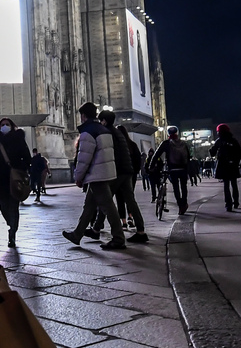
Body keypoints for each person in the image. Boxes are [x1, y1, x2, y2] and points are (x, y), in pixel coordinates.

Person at [61, 102, 125, 250]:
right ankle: (77, 234)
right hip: (107, 173)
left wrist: (78, 176)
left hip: (97, 176)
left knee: (108, 207)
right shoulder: (104, 130)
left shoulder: (87, 132)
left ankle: (119, 238)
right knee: (89, 206)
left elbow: (84, 157)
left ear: (83, 116)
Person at [103, 113, 147, 243]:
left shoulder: (111, 134)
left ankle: (104, 228)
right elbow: (138, 159)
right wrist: (135, 171)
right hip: (129, 173)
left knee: (108, 199)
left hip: (119, 172)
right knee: (129, 200)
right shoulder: (130, 143)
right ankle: (140, 230)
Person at [0, 117, 30, 248]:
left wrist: (20, 168)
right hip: (0, 178)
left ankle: (12, 233)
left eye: (7, 124)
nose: (5, 126)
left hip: (15, 178)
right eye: (3, 125)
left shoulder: (18, 139)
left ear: (12, 126)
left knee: (13, 207)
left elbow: (27, 157)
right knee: (3, 207)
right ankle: (11, 224)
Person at [155, 126, 192, 214]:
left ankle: (180, 205)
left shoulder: (166, 143)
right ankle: (184, 204)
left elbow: (156, 155)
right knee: (184, 186)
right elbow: (188, 157)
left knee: (176, 187)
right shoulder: (184, 143)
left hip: (172, 169)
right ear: (177, 133)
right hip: (183, 169)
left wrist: (150, 166)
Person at [211, 124, 241, 212]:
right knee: (234, 184)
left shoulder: (219, 141)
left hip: (223, 165)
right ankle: (236, 202)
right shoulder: (233, 140)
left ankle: (228, 204)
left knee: (226, 185)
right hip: (233, 165)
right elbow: (240, 153)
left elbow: (212, 152)